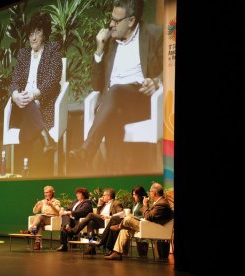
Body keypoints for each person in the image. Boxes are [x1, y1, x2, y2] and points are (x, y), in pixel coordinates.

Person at [68, 0, 163, 169]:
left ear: (131, 21)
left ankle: (87, 150)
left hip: (140, 100)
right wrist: (99, 49)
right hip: (114, 104)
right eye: (111, 19)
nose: (111, 24)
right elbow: (96, 86)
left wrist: (157, 81)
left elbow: (171, 67)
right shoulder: (109, 41)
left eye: (116, 21)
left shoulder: (154, 34)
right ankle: (117, 177)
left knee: (116, 90)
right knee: (114, 113)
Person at [9, 11, 62, 157]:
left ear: (44, 33)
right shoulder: (23, 54)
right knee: (26, 100)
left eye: (37, 32)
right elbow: (14, 80)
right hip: (22, 106)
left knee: (24, 134)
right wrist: (15, 96)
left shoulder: (53, 49)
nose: (33, 37)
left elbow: (53, 78)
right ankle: (47, 139)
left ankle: (26, 172)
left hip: (43, 105)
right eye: (31, 33)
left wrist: (34, 94)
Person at [103, 182, 173, 260]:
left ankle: (119, 226)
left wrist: (145, 205)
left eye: (150, 191)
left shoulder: (162, 203)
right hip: (148, 225)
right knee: (124, 229)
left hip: (152, 228)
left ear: (154, 193)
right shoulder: (158, 202)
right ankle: (117, 253)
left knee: (128, 219)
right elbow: (150, 217)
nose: (149, 193)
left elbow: (148, 216)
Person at [66, 188, 123, 255]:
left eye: (104, 195)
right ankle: (91, 247)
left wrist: (109, 217)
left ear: (109, 196)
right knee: (91, 223)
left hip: (108, 222)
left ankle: (74, 231)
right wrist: (99, 205)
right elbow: (98, 215)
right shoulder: (104, 204)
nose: (102, 197)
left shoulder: (116, 203)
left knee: (90, 215)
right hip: (101, 221)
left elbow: (121, 214)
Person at [98, 185, 147, 255]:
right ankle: (116, 252)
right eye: (133, 194)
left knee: (117, 220)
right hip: (131, 224)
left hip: (140, 224)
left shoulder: (144, 203)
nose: (133, 196)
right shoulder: (135, 204)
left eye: (135, 195)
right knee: (121, 228)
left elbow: (145, 215)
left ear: (140, 195)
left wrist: (145, 205)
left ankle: (118, 227)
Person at [57, 188, 93, 252]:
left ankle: (64, 244)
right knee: (65, 216)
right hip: (71, 221)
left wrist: (69, 212)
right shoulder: (75, 201)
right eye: (77, 193)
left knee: (64, 222)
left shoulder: (87, 202)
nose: (77, 195)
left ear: (83, 194)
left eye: (79, 193)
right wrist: (63, 210)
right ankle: (67, 227)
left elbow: (81, 212)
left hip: (78, 221)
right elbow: (68, 208)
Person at [29, 186, 61, 250]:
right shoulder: (42, 201)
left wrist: (51, 205)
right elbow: (34, 211)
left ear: (52, 193)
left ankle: (31, 229)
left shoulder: (56, 201)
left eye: (47, 192)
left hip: (51, 219)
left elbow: (58, 213)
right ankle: (37, 243)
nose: (45, 194)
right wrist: (37, 205)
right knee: (40, 221)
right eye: (44, 193)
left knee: (40, 216)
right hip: (42, 219)